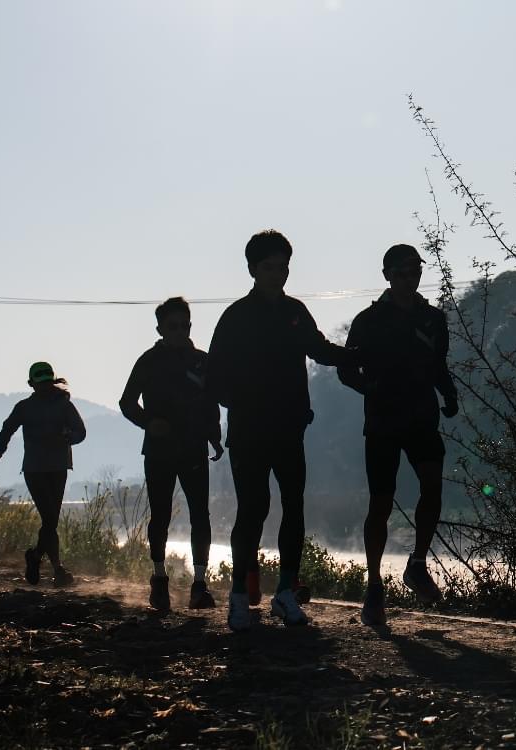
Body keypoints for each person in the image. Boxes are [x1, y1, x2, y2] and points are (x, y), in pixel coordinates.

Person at [207, 229, 354, 631]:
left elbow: (320, 349)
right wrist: (241, 403)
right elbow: (214, 376)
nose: (278, 274)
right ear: (252, 269)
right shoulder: (236, 316)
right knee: (253, 509)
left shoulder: (296, 312)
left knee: (293, 506)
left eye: (283, 267)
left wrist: (358, 355)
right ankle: (239, 595)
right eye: (269, 267)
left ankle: (286, 593)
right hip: (248, 431)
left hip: (289, 430)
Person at [337, 244, 459, 626]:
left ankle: (417, 564)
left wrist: (449, 394)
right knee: (381, 503)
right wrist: (369, 388)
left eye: (415, 271)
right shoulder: (368, 320)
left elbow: (438, 365)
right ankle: (374, 587)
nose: (410, 278)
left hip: (422, 418)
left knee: (432, 486)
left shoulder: (433, 319)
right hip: (383, 422)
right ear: (387, 275)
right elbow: (345, 369)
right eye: (402, 272)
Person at [120, 298, 224, 610]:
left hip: (194, 448)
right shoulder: (148, 361)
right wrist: (149, 423)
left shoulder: (202, 361)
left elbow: (211, 402)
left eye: (184, 326)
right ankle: (159, 579)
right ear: (160, 329)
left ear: (190, 326)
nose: (179, 331)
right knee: (161, 515)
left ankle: (200, 585)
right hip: (159, 451)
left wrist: (215, 436)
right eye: (173, 326)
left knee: (200, 515)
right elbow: (127, 402)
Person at [0, 362, 87, 588]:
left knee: (50, 521)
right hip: (34, 469)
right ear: (31, 384)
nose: (45, 387)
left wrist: (68, 437)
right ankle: (57, 568)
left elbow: (81, 432)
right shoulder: (24, 407)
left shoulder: (64, 406)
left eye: (47, 383)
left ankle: (37, 557)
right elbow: (8, 428)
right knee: (50, 519)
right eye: (41, 383)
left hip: (59, 467)